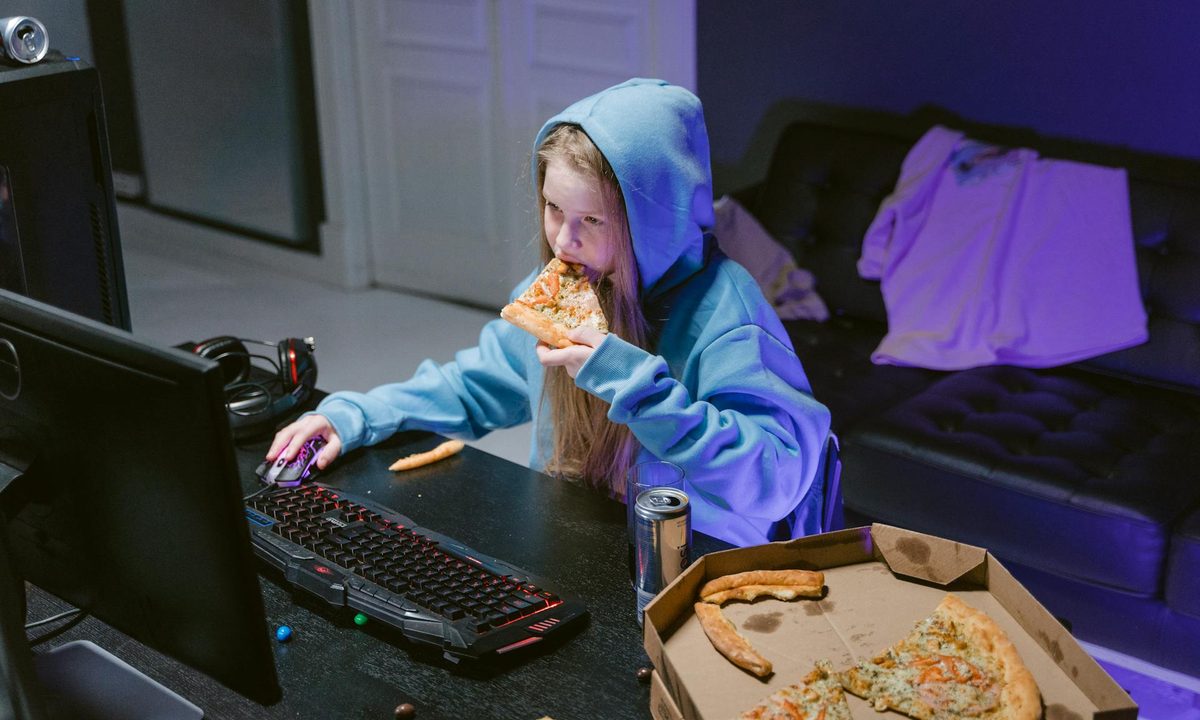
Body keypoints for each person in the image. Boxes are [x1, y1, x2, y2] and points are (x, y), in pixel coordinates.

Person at [266, 78, 832, 547]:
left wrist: (637, 388)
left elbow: (775, 481)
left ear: (654, 222)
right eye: (553, 208)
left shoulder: (729, 320)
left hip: (696, 568)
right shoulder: (565, 289)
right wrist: (356, 416)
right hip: (578, 542)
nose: (563, 239)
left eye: (594, 220)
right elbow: (473, 387)